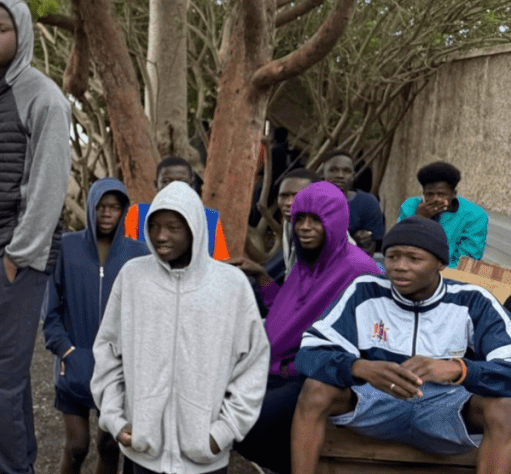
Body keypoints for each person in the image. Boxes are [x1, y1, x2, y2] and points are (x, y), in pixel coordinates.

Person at [292, 216, 511, 474]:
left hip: (448, 408)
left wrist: (458, 369)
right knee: (315, 389)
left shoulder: (473, 301)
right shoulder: (365, 291)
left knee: (504, 408)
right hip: (374, 401)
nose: (400, 267)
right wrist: (360, 368)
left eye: (414, 258)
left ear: (440, 263)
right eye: (392, 257)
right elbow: (308, 355)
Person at [0, 0, 72, 474]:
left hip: (11, 259)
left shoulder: (43, 96)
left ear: (20, 35)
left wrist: (17, 255)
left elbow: (49, 183)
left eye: (0, 28)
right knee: (7, 379)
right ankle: (18, 466)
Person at [91, 182, 270, 474]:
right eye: (155, 226)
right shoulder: (133, 278)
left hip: (204, 457)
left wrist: (222, 433)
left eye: (173, 227)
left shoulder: (230, 285)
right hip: (143, 451)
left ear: (194, 228)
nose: (161, 236)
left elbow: (253, 364)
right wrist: (115, 419)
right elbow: (108, 352)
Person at [233, 181, 380, 474]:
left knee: (244, 425)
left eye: (316, 220)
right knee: (220, 407)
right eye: (300, 219)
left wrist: (295, 368)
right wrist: (262, 278)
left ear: (335, 221)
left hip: (313, 375)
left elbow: (364, 342)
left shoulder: (358, 270)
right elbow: (289, 317)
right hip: (273, 367)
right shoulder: (306, 262)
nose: (305, 227)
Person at [43, 178, 148, 474]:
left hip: (116, 369)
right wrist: (66, 351)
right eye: (101, 206)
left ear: (123, 211)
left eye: (114, 207)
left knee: (110, 446)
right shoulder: (67, 247)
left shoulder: (137, 254)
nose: (107, 213)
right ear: (91, 207)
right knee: (77, 447)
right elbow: (50, 310)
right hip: (73, 363)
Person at [123, 155, 230, 260]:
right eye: (166, 182)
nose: (174, 187)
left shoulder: (210, 219)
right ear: (156, 185)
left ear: (192, 185)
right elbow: (126, 256)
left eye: (182, 182)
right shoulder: (137, 214)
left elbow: (219, 264)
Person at [398, 161, 488, 268]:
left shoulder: (475, 216)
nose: (435, 199)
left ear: (453, 194)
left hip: (450, 277)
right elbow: (398, 245)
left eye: (441, 194)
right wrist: (418, 220)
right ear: (423, 194)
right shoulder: (411, 207)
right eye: (429, 194)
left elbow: (465, 261)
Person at [320, 150, 384, 255]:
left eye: (346, 171)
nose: (340, 175)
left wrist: (364, 242)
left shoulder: (368, 203)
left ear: (353, 176)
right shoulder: (311, 202)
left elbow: (372, 249)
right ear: (322, 173)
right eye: (333, 170)